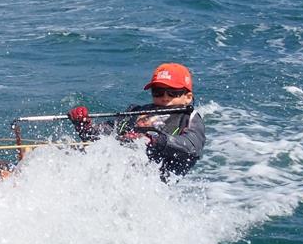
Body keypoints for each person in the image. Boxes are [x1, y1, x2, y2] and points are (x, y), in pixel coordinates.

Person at [68, 63, 206, 179]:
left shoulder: (190, 117)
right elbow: (102, 136)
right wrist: (83, 125)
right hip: (117, 170)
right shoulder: (138, 111)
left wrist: (156, 141)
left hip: (153, 180)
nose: (165, 97)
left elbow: (192, 146)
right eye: (158, 91)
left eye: (173, 92)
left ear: (188, 97)